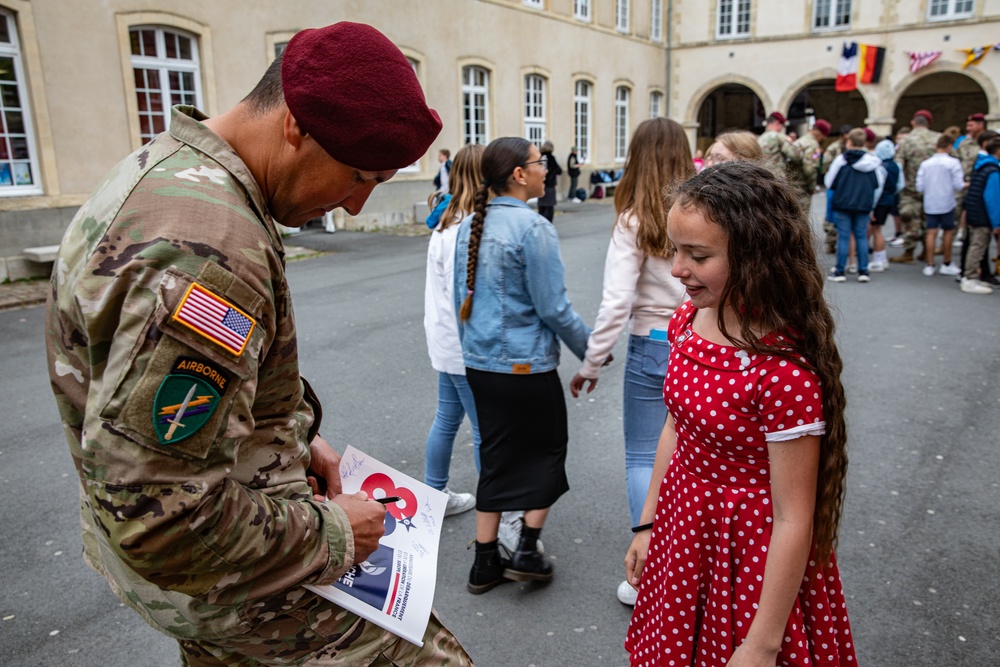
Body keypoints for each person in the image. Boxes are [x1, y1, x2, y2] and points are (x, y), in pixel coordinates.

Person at [45, 22, 475, 666]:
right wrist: (334, 534)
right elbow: (157, 515)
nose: (355, 208)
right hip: (251, 584)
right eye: (360, 176)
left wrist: (294, 434)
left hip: (219, 572)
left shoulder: (164, 171)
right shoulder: (211, 246)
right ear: (295, 125)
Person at [624, 160, 857, 666]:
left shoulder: (782, 371)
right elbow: (674, 427)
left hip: (750, 556)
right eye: (676, 249)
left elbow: (796, 517)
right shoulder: (688, 317)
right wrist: (647, 525)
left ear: (756, 257)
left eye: (698, 255)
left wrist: (761, 643)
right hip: (683, 532)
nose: (677, 269)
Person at [454, 137, 591, 594]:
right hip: (524, 368)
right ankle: (528, 549)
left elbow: (462, 303)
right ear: (518, 173)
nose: (546, 170)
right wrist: (592, 350)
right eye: (539, 163)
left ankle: (485, 561)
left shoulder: (467, 227)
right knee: (548, 453)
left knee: (496, 458)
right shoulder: (533, 229)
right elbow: (553, 308)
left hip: (480, 365)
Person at [567, 118, 693, 607]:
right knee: (690, 459)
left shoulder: (634, 218)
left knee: (644, 455)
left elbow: (617, 301)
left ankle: (650, 569)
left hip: (652, 343)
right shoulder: (703, 211)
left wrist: (591, 363)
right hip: (701, 343)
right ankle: (687, 563)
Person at [423, 144, 485, 517]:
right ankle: (496, 512)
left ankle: (434, 496)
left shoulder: (445, 220)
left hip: (443, 339)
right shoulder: (468, 229)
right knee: (485, 430)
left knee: (446, 417)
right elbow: (467, 295)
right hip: (464, 346)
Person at [825, 128, 886, 283]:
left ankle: (840, 271)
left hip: (843, 203)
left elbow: (829, 182)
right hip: (863, 204)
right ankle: (863, 270)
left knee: (844, 236)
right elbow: (877, 185)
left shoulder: (841, 160)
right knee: (861, 236)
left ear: (849, 142)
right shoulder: (872, 162)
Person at [891, 110, 941, 264]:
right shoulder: (938, 139)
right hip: (933, 188)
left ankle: (909, 252)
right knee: (929, 220)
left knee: (910, 219)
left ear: (913, 122)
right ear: (929, 123)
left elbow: (898, 165)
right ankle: (927, 251)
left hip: (910, 189)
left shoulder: (906, 140)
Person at [916, 133, 965, 277]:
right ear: (949, 146)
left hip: (930, 201)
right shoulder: (953, 163)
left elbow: (919, 186)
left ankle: (930, 264)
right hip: (947, 201)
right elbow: (958, 184)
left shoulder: (925, 164)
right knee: (948, 232)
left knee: (931, 232)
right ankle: (947, 262)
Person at [960, 136, 1000, 294]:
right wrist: (996, 222)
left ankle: (970, 276)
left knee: (975, 245)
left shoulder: (982, 166)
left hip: (975, 210)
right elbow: (992, 198)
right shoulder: (994, 171)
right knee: (978, 246)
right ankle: (969, 278)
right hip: (982, 214)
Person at [870, 139, 906, 272]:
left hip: (879, 201)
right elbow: (901, 185)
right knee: (877, 228)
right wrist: (892, 193)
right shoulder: (897, 165)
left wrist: (872, 207)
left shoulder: (880, 167)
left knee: (876, 230)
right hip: (889, 199)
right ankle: (881, 258)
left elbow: (877, 189)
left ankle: (879, 259)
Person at [790, 118, 831, 213]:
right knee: (801, 217)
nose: (823, 139)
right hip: (802, 188)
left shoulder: (799, 141)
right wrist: (812, 187)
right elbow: (810, 168)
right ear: (819, 133)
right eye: (823, 136)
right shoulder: (813, 145)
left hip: (791, 184)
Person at [757, 111, 802, 176]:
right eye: (782, 125)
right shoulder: (779, 137)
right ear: (777, 122)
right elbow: (795, 156)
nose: (781, 128)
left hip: (763, 175)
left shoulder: (760, 138)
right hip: (777, 176)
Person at [538, 140, 563, 222]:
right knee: (549, 208)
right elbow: (559, 170)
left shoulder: (539, 157)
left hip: (541, 184)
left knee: (541, 207)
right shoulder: (551, 158)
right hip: (549, 185)